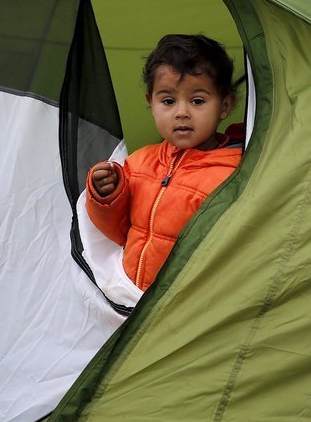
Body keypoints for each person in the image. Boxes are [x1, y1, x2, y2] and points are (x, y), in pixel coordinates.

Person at [86, 34, 242, 292]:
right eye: (168, 101)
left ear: (224, 106)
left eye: (197, 101)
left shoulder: (233, 174)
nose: (181, 112)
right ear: (152, 103)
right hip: (130, 299)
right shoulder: (139, 162)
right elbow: (118, 231)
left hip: (184, 305)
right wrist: (107, 197)